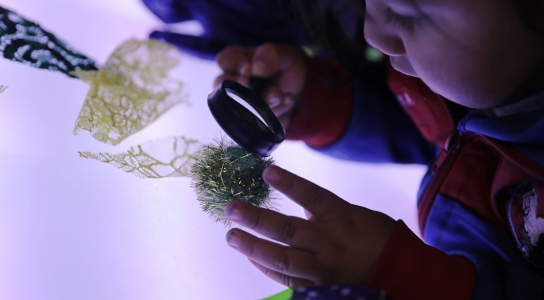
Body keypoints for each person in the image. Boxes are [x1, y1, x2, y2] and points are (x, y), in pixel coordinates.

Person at [214, 0, 544, 298]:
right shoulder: (487, 80)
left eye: (408, 14)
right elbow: (436, 131)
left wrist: (409, 279)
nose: (371, 34)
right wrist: (317, 103)